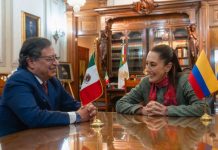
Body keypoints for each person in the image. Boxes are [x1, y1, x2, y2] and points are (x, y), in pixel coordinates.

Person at [0, 37, 97, 137]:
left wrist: (87, 108)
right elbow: (34, 117)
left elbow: (70, 104)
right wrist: (77, 116)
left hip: (44, 139)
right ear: (31, 62)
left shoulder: (52, 81)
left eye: (55, 58)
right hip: (16, 142)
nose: (56, 63)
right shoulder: (17, 81)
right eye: (50, 59)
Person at [116, 44, 209, 116]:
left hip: (182, 136)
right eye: (147, 64)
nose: (147, 69)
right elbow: (120, 104)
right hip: (153, 135)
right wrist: (142, 110)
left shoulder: (185, 80)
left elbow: (204, 108)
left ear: (168, 67)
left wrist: (167, 110)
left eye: (152, 65)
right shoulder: (145, 82)